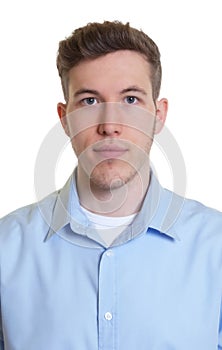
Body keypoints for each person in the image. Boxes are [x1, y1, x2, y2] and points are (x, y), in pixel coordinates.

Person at [0, 20, 222, 350]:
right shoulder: (6, 247)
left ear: (159, 115)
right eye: (89, 101)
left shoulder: (215, 247)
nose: (110, 126)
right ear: (64, 119)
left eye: (130, 100)